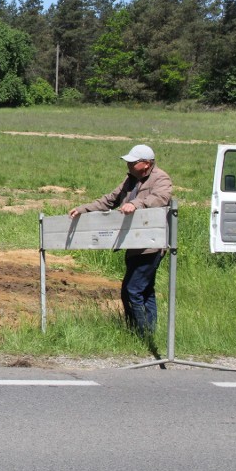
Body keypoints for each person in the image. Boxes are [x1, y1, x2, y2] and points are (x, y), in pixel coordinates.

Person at [68, 144, 172, 336]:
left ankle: (140, 334)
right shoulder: (130, 179)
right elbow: (110, 199)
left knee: (132, 290)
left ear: (147, 163)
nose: (129, 165)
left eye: (133, 162)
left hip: (151, 244)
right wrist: (84, 208)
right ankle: (148, 333)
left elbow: (161, 198)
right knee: (145, 291)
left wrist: (135, 203)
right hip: (133, 243)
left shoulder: (161, 178)